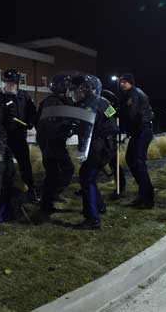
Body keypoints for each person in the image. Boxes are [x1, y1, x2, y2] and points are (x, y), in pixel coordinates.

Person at [69, 74, 118, 229]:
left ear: (85, 89)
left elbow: (85, 129)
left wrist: (71, 130)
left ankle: (92, 219)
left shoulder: (88, 105)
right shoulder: (104, 101)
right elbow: (113, 118)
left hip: (97, 147)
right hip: (108, 146)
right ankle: (100, 206)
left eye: (76, 90)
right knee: (89, 176)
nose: (75, 94)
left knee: (86, 177)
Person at [0, 68, 38, 202]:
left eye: (12, 83)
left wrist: (30, 122)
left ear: (17, 84)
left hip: (20, 137)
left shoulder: (25, 96)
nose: (9, 85)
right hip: (5, 139)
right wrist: (1, 134)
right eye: (7, 83)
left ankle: (31, 191)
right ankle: (5, 193)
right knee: (5, 166)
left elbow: (32, 112)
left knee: (25, 165)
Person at [36, 73, 76, 219]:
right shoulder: (54, 102)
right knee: (63, 171)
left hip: (50, 142)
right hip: (52, 143)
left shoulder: (55, 101)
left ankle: (50, 199)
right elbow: (54, 124)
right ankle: (48, 202)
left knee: (53, 174)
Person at [119, 73, 155, 209]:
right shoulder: (130, 94)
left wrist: (118, 116)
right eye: (121, 81)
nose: (122, 84)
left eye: (124, 81)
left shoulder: (133, 94)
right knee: (131, 159)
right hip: (138, 132)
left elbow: (131, 113)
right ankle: (143, 193)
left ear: (130, 82)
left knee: (138, 162)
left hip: (142, 131)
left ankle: (147, 197)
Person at [102, 89, 126, 199]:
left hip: (109, 139)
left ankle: (120, 188)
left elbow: (109, 120)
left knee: (114, 163)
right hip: (102, 139)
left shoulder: (109, 109)